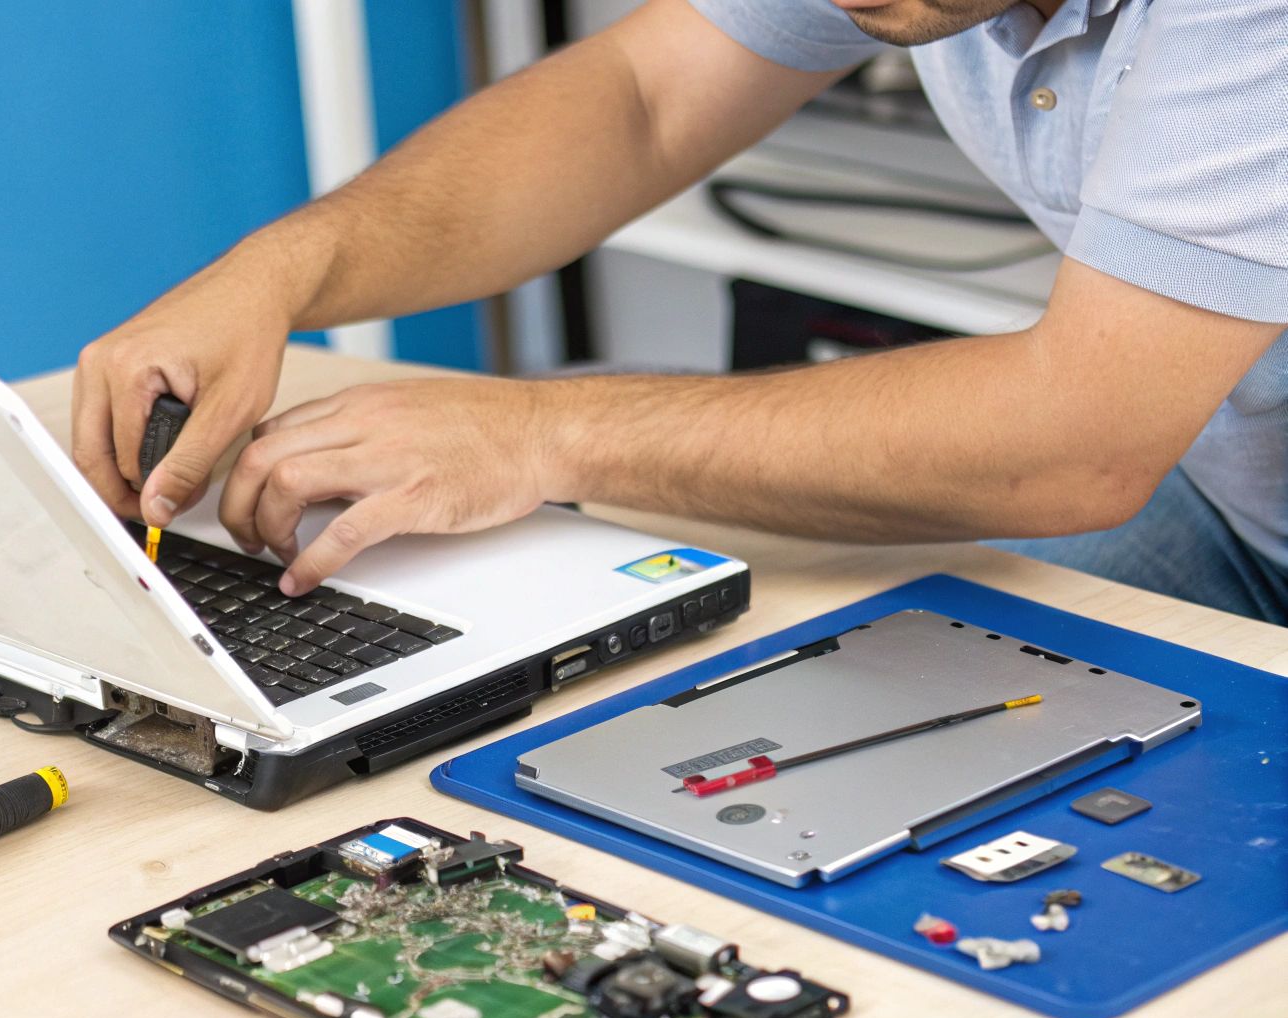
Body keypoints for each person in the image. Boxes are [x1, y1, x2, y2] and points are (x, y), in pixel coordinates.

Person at [71, 0, 1287, 624]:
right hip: (1228, 497)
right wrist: (282, 269)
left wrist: (537, 434)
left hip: (1151, 475)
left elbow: (1076, 440)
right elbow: (643, 98)